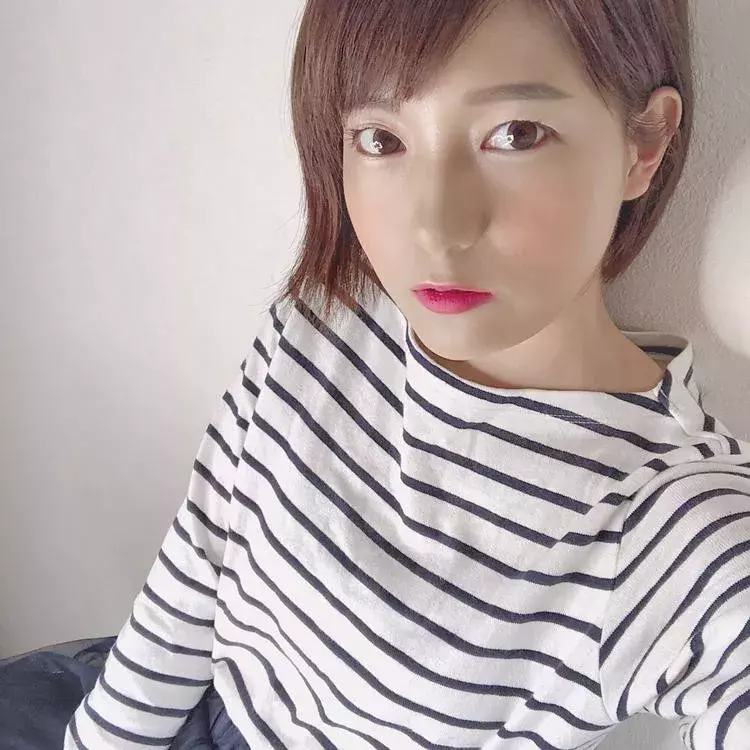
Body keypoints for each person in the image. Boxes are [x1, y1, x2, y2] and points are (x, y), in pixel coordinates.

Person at [65, 0, 750, 747]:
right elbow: (202, 552)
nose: (435, 225)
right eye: (381, 138)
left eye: (516, 134)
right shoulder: (331, 312)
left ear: (643, 142)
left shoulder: (673, 522)